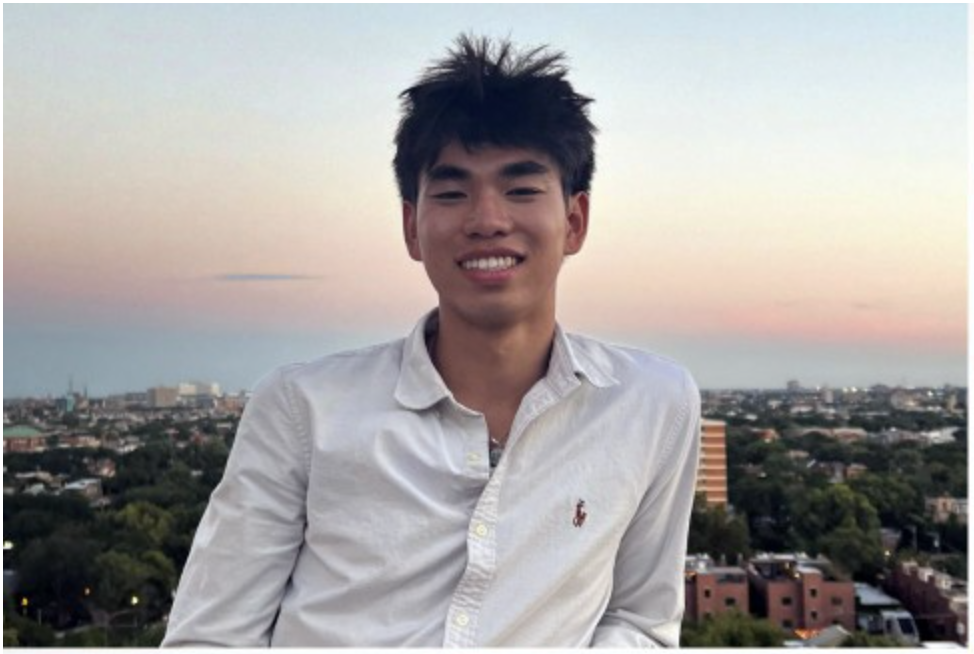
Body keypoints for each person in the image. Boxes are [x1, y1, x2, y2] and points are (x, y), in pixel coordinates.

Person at [162, 34, 701, 648]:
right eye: (451, 192)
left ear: (574, 221)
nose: (487, 219)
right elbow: (210, 638)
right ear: (411, 227)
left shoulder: (650, 403)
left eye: (521, 189)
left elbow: (640, 620)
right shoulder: (302, 408)